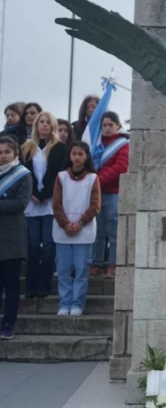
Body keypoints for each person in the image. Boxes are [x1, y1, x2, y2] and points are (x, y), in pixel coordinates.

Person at [21, 112, 68, 299]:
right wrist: (33, 193)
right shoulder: (26, 147)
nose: (44, 125)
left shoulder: (59, 148)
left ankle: (45, 285)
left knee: (48, 244)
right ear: (36, 125)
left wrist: (46, 193)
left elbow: (57, 172)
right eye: (41, 122)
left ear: (53, 126)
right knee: (33, 244)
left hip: (50, 201)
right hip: (32, 202)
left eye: (48, 122)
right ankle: (31, 285)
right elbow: (26, 172)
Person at [52, 142, 101, 316]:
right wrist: (66, 223)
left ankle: (77, 303)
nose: (77, 157)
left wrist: (80, 223)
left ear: (86, 157)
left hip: (84, 230)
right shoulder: (61, 177)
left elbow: (95, 206)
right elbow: (56, 204)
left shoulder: (93, 178)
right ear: (70, 156)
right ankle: (64, 303)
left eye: (81, 154)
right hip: (62, 230)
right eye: (74, 153)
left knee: (81, 269)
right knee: (64, 269)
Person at [0, 136, 33, 340]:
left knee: (11, 284)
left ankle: (8, 323)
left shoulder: (23, 176)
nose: (2, 156)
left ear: (15, 154)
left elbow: (20, 204)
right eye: (0, 152)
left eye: (6, 152)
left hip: (12, 238)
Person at [91, 112, 129, 278]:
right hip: (97, 193)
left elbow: (121, 166)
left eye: (110, 125)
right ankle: (96, 263)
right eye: (104, 125)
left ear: (117, 125)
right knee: (97, 231)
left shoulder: (123, 144)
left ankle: (112, 264)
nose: (106, 128)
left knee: (113, 231)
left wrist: (98, 180)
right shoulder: (95, 142)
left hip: (113, 192)